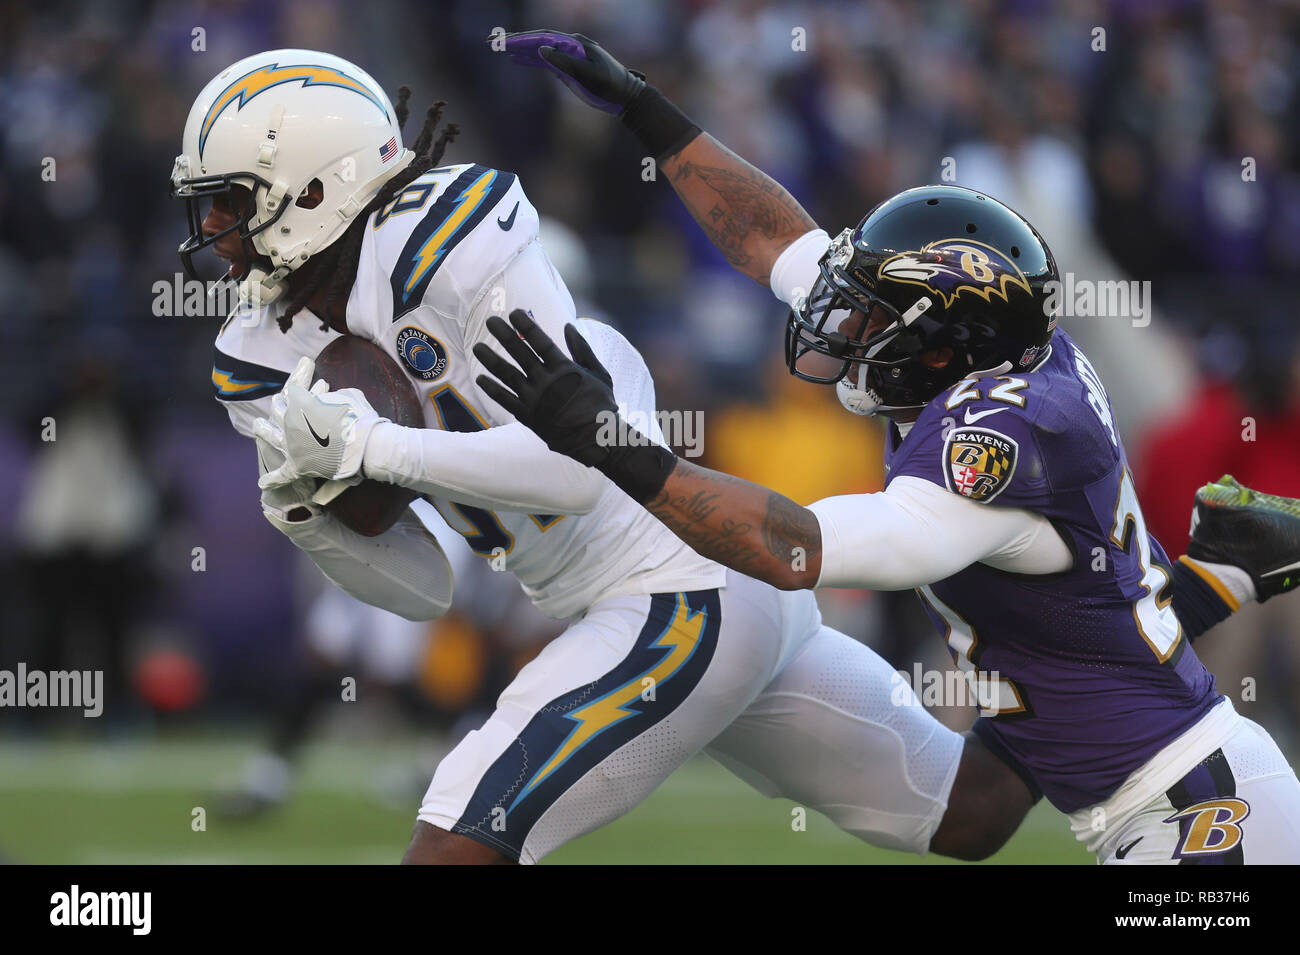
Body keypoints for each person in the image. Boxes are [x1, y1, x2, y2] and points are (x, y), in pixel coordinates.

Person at [176, 48, 1028, 865]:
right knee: (970, 810)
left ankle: (1101, 665)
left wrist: (378, 448)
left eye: (230, 201)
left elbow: (578, 468)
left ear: (316, 188)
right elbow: (423, 589)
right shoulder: (257, 352)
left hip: (674, 583)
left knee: (452, 843)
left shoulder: (447, 239)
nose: (213, 228)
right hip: (659, 599)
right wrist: (307, 517)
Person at [468, 31, 1300, 863]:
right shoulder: (991, 356)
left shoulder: (994, 446)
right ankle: (1218, 572)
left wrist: (612, 447)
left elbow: (795, 547)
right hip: (1157, 772)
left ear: (944, 340)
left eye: (870, 313)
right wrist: (647, 111)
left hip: (1198, 804)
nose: (842, 324)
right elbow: (772, 241)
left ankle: (1215, 574)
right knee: (975, 813)